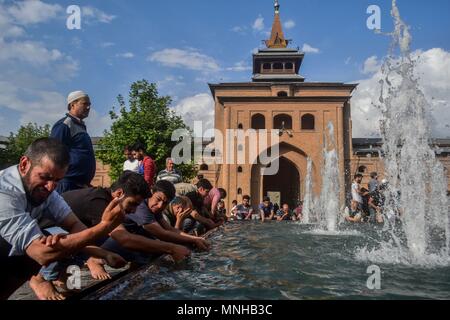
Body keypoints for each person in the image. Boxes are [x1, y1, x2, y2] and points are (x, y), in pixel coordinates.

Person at [0, 138, 126, 300]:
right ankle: (40, 280)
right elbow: (41, 254)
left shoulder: (48, 190)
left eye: (57, 180)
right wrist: (104, 226)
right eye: (44, 177)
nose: (51, 187)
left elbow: (75, 225)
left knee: (51, 241)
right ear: (24, 164)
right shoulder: (5, 193)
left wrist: (103, 254)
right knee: (36, 246)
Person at [61, 171, 152, 279]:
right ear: (119, 193)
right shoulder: (99, 201)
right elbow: (124, 239)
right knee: (126, 243)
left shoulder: (106, 197)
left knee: (112, 233)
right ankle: (43, 278)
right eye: (132, 203)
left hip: (72, 233)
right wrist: (169, 248)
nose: (133, 211)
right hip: (49, 235)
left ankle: (92, 258)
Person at [100, 180, 193, 266]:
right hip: (114, 241)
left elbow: (169, 229)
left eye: (164, 203)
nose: (160, 206)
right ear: (151, 192)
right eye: (158, 199)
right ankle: (97, 258)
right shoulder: (141, 206)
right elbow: (162, 234)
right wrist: (175, 248)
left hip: (131, 239)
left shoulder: (155, 209)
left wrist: (195, 239)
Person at [50, 91, 96, 194]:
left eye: (89, 105)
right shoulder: (64, 125)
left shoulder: (80, 126)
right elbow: (54, 155)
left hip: (79, 185)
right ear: (72, 105)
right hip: (67, 184)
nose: (88, 107)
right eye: (85, 104)